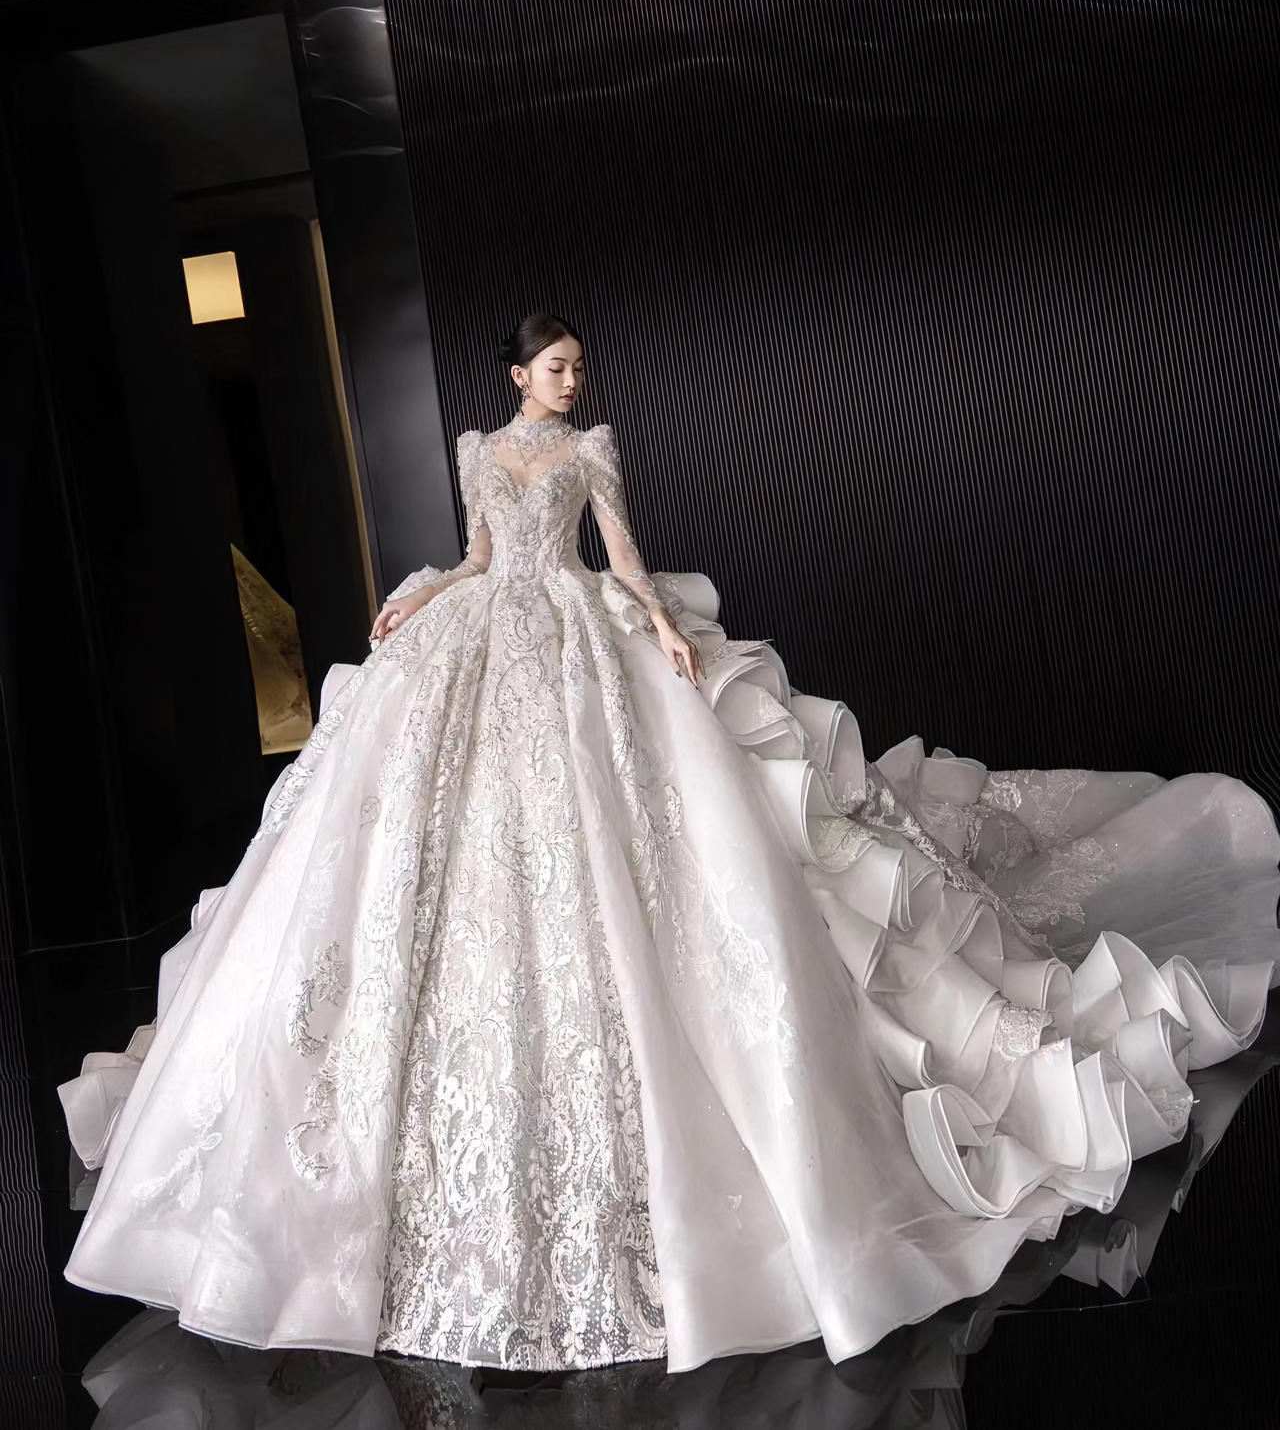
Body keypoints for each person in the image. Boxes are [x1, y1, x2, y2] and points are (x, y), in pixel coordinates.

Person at [60, 311, 1279, 1375]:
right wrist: (422, 596)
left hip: (580, 642)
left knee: (635, 845)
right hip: (481, 637)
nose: (570, 381)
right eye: (554, 366)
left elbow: (621, 557)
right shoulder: (479, 450)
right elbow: (482, 556)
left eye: (576, 367)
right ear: (516, 374)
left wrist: (659, 627)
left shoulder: (590, 451)